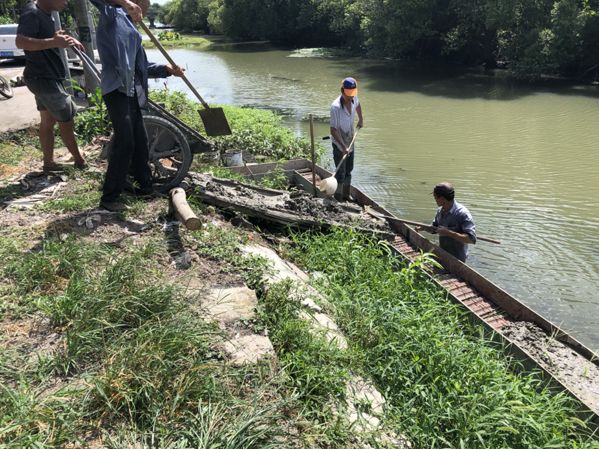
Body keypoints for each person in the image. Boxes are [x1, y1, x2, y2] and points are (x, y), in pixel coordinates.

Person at [89, 0, 184, 211]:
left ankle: (145, 187)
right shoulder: (111, 14)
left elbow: (141, 66)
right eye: (143, 6)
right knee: (126, 142)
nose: (145, 11)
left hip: (131, 91)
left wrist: (167, 69)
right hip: (116, 90)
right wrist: (124, 3)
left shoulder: (132, 29)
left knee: (140, 141)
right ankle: (109, 198)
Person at [16, 0, 87, 172]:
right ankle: (80, 162)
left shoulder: (45, 14)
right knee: (66, 117)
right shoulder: (32, 12)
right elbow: (21, 42)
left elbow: (46, 38)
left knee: (48, 121)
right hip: (43, 78)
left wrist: (64, 39)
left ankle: (48, 163)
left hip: (45, 77)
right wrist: (53, 42)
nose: (66, 1)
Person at [330, 76, 363, 201]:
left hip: (350, 138)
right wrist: (343, 147)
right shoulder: (336, 107)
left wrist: (361, 119)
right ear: (343, 91)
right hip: (339, 142)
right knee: (340, 173)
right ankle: (338, 197)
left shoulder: (354, 98)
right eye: (349, 94)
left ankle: (346, 194)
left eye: (353, 94)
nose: (351, 97)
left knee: (349, 169)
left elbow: (358, 105)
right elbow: (333, 130)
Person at [426, 182, 476, 262]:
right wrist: (424, 228)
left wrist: (448, 233)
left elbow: (471, 239)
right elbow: (435, 229)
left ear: (442, 199)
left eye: (435, 197)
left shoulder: (462, 214)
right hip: (443, 254)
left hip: (458, 259)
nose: (434, 199)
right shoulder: (440, 211)